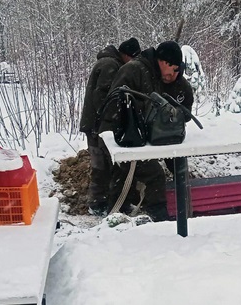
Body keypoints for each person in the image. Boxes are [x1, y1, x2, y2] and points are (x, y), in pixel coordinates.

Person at [101, 41, 194, 221]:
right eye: (173, 69)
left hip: (149, 137)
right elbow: (114, 106)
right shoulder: (134, 70)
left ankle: (182, 209)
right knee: (153, 174)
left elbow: (183, 112)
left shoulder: (162, 76)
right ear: (164, 62)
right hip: (124, 136)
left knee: (178, 163)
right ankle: (158, 218)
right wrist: (146, 113)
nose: (174, 74)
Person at [79, 37, 141, 215]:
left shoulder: (108, 62)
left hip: (93, 123)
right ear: (127, 55)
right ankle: (99, 204)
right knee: (103, 165)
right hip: (96, 125)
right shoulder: (110, 65)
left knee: (102, 165)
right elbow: (103, 96)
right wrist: (112, 118)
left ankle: (103, 201)